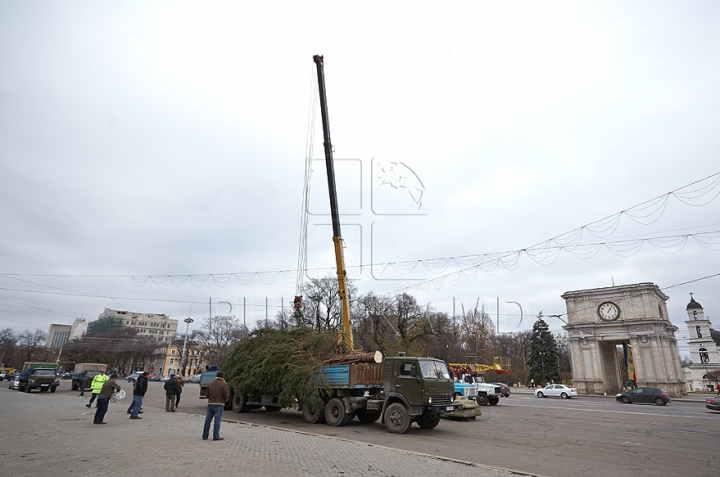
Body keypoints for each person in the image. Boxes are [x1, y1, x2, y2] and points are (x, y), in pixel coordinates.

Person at [202, 371, 230, 441]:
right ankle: (216, 436)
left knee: (207, 420)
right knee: (217, 420)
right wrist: (225, 400)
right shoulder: (224, 384)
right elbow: (226, 394)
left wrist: (211, 399)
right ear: (223, 376)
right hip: (219, 404)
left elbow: (207, 394)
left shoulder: (211, 384)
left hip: (210, 404)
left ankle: (205, 436)